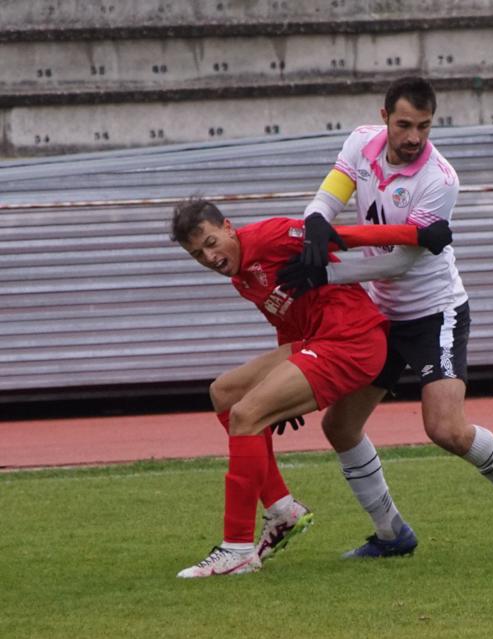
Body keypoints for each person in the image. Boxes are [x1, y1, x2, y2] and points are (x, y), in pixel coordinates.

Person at [279, 75, 493, 559]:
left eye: (424, 127)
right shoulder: (362, 142)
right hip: (379, 314)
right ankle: (391, 534)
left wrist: (326, 272)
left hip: (433, 312)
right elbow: (332, 190)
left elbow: (401, 260)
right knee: (340, 427)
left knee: (445, 428)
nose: (413, 137)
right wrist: (317, 215)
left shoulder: (439, 180)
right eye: (404, 124)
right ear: (384, 117)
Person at [169, 197, 451, 578]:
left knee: (246, 415)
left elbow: (342, 235)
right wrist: (279, 382)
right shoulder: (240, 275)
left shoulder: (270, 237)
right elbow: (286, 321)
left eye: (211, 243)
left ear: (229, 227)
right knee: (225, 394)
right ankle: (283, 510)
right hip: (316, 341)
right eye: (196, 254)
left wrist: (416, 235)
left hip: (352, 340)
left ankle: (236, 549)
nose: (209, 257)